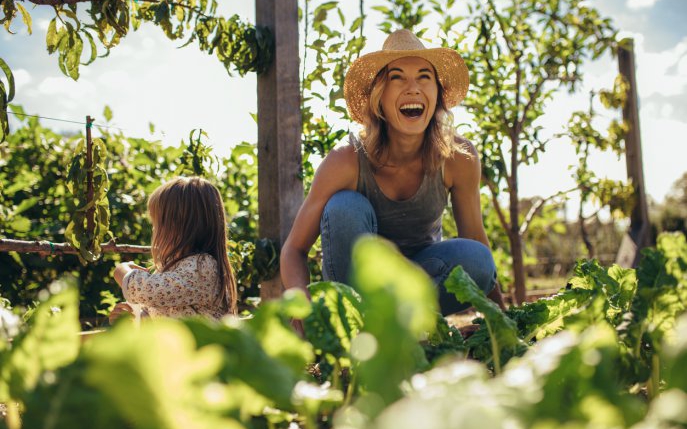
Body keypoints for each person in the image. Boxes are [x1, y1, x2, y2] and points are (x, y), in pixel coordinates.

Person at [280, 29, 506, 315]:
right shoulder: (346, 160)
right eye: (397, 77)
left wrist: (502, 323)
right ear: (379, 96)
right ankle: (360, 329)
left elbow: (474, 238)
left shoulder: (457, 157)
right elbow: (293, 250)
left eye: (424, 77)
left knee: (478, 259)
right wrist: (301, 306)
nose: (413, 88)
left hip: (423, 280)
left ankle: (407, 327)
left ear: (437, 94)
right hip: (358, 292)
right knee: (344, 207)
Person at [110, 176, 237, 323]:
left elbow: (152, 291)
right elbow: (162, 314)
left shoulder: (202, 267)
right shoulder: (175, 269)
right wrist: (135, 319)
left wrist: (122, 272)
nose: (154, 229)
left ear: (177, 227)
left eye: (156, 223)